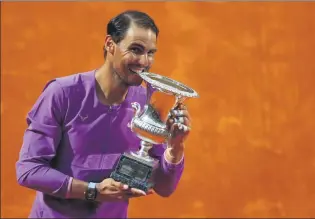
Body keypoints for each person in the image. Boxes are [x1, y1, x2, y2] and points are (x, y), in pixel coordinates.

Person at [15, 10, 192, 218]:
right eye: (136, 49)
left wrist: (176, 148)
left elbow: (164, 188)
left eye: (150, 53)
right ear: (110, 44)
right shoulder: (62, 93)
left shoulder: (148, 100)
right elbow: (28, 170)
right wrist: (93, 191)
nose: (144, 61)